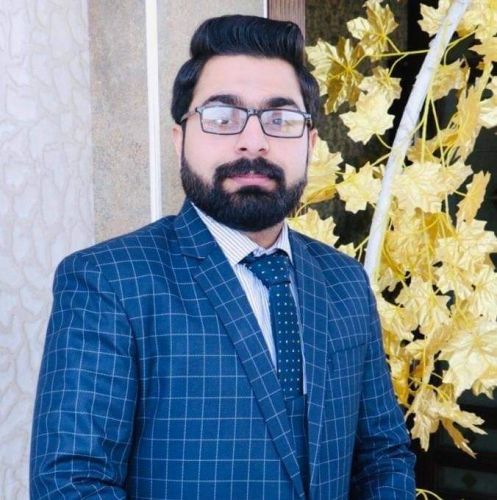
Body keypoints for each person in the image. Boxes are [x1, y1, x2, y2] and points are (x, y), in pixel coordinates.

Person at [30, 14, 416, 499]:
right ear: (180, 138)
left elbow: (383, 455)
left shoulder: (345, 281)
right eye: (222, 117)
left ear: (311, 143)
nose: (253, 141)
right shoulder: (107, 281)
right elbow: (71, 484)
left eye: (280, 119)